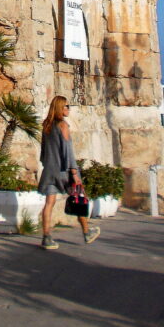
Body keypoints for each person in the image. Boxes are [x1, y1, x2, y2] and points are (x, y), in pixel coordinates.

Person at [37, 95, 99, 249]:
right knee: (78, 199)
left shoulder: (46, 125)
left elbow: (43, 150)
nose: (68, 109)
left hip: (49, 169)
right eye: (66, 106)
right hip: (64, 170)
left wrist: (46, 163)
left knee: (49, 204)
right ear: (60, 108)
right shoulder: (63, 126)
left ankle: (46, 237)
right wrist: (74, 172)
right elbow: (68, 151)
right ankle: (86, 232)